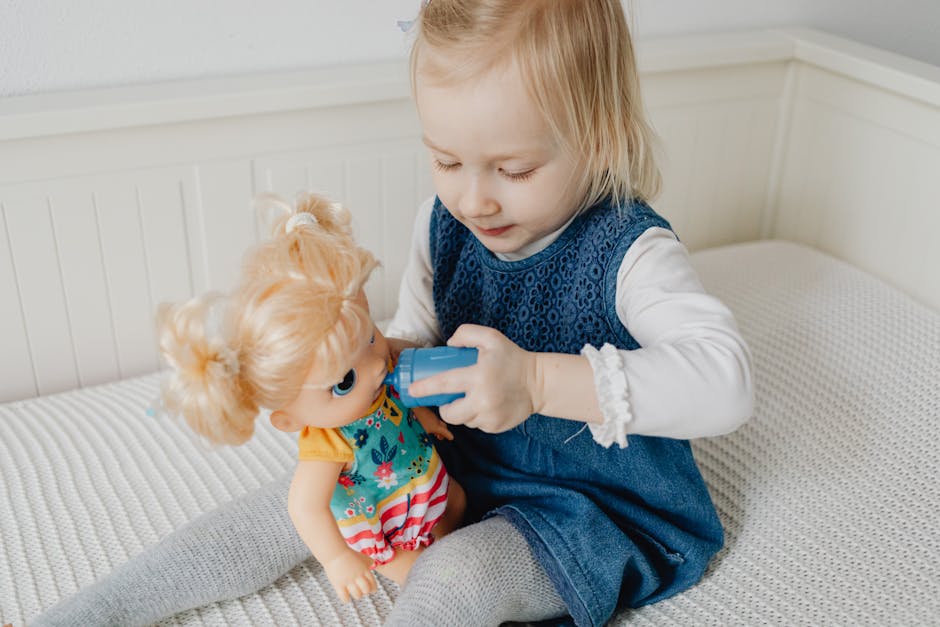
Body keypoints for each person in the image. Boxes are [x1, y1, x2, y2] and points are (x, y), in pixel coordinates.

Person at [33, 1, 753, 625]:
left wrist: (535, 382)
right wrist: (344, 362)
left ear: (598, 135)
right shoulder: (442, 225)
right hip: (449, 459)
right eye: (445, 160)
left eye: (514, 169)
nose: (473, 200)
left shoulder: (631, 251)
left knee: (457, 577)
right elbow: (413, 342)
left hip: (587, 505)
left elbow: (725, 381)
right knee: (291, 504)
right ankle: (77, 616)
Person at [155, 192, 465, 603]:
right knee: (433, 581)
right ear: (289, 418)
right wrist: (337, 559)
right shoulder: (329, 442)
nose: (376, 365)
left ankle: (458, 534)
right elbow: (305, 507)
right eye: (343, 381)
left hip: (427, 482)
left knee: (459, 504)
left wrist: (426, 419)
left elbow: (400, 401)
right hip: (389, 523)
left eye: (371, 336)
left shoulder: (377, 371)